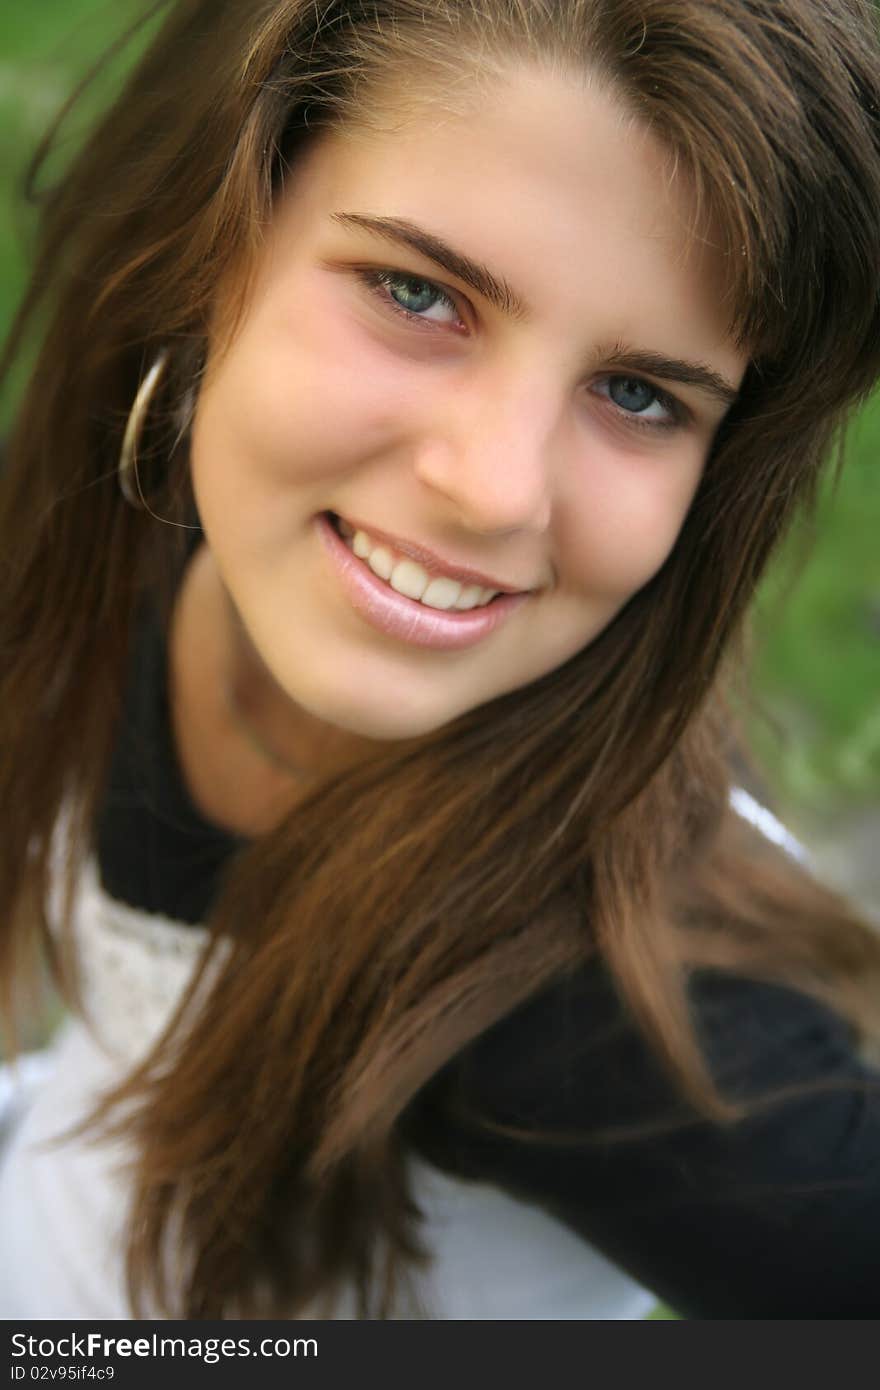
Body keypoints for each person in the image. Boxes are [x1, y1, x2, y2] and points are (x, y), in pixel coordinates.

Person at [1, 0, 879, 1321]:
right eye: (421, 295)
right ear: (209, 236)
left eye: (641, 392)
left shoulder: (591, 1016)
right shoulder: (164, 510)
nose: (495, 488)